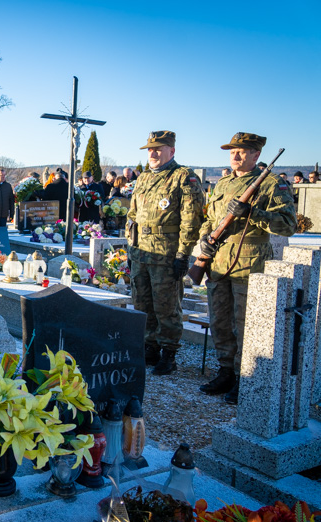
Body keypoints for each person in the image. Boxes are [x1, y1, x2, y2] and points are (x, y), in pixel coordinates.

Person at [197, 132, 297, 403]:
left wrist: (254, 214)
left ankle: (244, 378)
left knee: (245, 324)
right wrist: (205, 238)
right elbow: (211, 219)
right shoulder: (222, 183)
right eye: (233, 151)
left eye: (242, 151)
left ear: (256, 155)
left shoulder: (272, 184)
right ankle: (226, 371)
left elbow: (289, 224)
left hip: (250, 262)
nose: (236, 155)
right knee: (220, 321)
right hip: (219, 262)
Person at [126, 130, 204, 375]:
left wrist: (183, 254)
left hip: (166, 254)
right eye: (150, 149)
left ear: (172, 150)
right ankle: (150, 347)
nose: (153, 153)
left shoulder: (183, 178)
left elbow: (191, 221)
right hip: (141, 253)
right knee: (142, 303)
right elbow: (132, 215)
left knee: (167, 306)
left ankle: (168, 354)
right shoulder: (143, 178)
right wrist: (131, 246)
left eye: (158, 149)